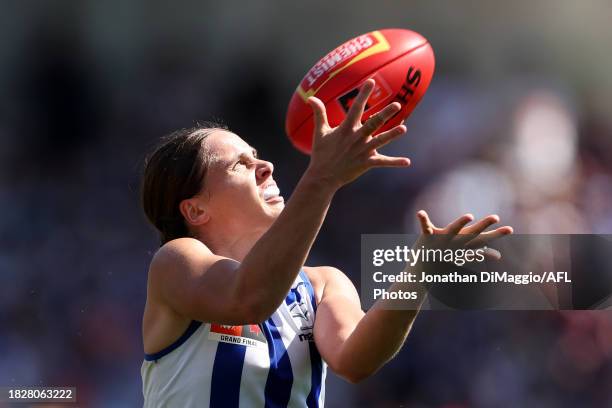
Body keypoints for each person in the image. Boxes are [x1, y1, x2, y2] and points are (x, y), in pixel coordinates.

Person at [140, 79, 512, 407]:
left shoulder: (322, 284)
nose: (266, 166)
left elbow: (356, 361)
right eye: (239, 164)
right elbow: (247, 299)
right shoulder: (176, 262)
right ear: (195, 209)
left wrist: (418, 275)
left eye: (257, 155)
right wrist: (322, 178)